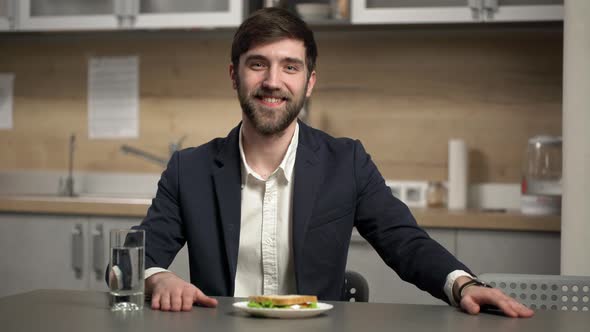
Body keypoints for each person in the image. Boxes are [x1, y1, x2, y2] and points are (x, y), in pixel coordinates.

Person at [129, 8, 533, 317]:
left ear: (309, 82)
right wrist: (157, 277)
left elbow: (405, 242)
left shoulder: (347, 162)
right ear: (234, 75)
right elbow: (134, 255)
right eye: (258, 64)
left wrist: (462, 285)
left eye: (290, 66)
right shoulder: (190, 169)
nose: (273, 81)